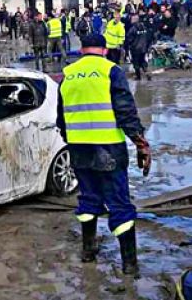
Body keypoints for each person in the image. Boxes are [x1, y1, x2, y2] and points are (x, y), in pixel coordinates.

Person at [56, 33, 151, 275]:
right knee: (119, 204)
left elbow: (61, 118)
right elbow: (125, 111)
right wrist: (140, 143)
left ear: (81, 50)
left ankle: (88, 250)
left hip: (78, 148)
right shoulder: (111, 70)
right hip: (108, 147)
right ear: (105, 50)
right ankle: (129, 264)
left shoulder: (68, 74)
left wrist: (73, 140)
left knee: (88, 198)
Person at [127, 15, 151, 81]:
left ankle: (138, 77)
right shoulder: (144, 27)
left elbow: (129, 39)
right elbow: (149, 37)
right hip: (143, 48)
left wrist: (128, 46)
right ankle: (147, 74)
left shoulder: (133, 28)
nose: (131, 20)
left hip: (135, 49)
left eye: (132, 19)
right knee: (143, 61)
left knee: (136, 63)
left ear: (135, 20)